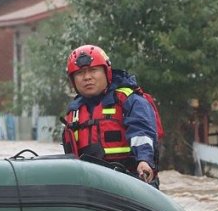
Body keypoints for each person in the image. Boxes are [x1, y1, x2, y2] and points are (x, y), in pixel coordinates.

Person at [61, 44, 161, 186]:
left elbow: (142, 132)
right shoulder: (74, 111)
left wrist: (144, 161)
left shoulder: (130, 101)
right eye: (80, 73)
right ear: (73, 80)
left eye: (93, 70)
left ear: (106, 72)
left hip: (132, 179)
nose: (87, 77)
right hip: (91, 184)